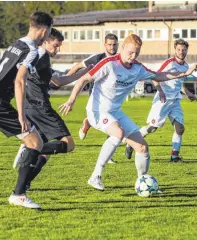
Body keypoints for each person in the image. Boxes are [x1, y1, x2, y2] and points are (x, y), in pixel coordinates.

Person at [59, 34, 197, 191]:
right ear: (123, 48)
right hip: (97, 110)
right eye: (131, 52)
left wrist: (184, 74)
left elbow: (158, 75)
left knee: (142, 148)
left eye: (137, 53)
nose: (133, 56)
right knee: (118, 132)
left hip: (115, 112)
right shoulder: (109, 64)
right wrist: (71, 100)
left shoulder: (138, 68)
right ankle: (95, 176)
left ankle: (143, 182)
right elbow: (83, 78)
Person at [0, 11, 53, 209]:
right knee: (35, 142)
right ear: (43, 30)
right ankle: (19, 194)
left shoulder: (16, 43)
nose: (48, 36)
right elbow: (20, 81)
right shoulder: (31, 50)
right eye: (49, 32)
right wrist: (21, 115)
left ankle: (20, 193)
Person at [12, 28, 92, 190]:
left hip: (29, 107)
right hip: (41, 108)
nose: (58, 49)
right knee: (68, 144)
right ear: (46, 41)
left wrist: (83, 71)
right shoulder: (42, 58)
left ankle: (24, 184)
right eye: (56, 46)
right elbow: (59, 82)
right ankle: (28, 150)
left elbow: (57, 80)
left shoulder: (32, 55)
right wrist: (84, 71)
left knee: (46, 151)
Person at [125, 39, 197, 162]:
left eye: (184, 49)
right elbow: (155, 77)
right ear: (175, 50)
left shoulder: (185, 66)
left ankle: (174, 156)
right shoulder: (168, 63)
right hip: (162, 100)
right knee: (152, 127)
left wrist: (188, 93)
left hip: (175, 101)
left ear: (187, 50)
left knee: (180, 128)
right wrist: (161, 91)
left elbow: (179, 83)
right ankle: (131, 141)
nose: (181, 52)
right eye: (179, 49)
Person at [67, 33, 119, 164]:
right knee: (111, 123)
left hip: (114, 97)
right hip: (97, 97)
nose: (112, 47)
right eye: (110, 44)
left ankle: (88, 123)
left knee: (113, 123)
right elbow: (79, 65)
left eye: (114, 45)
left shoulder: (120, 59)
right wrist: (66, 79)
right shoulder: (97, 58)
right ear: (105, 45)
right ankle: (88, 122)